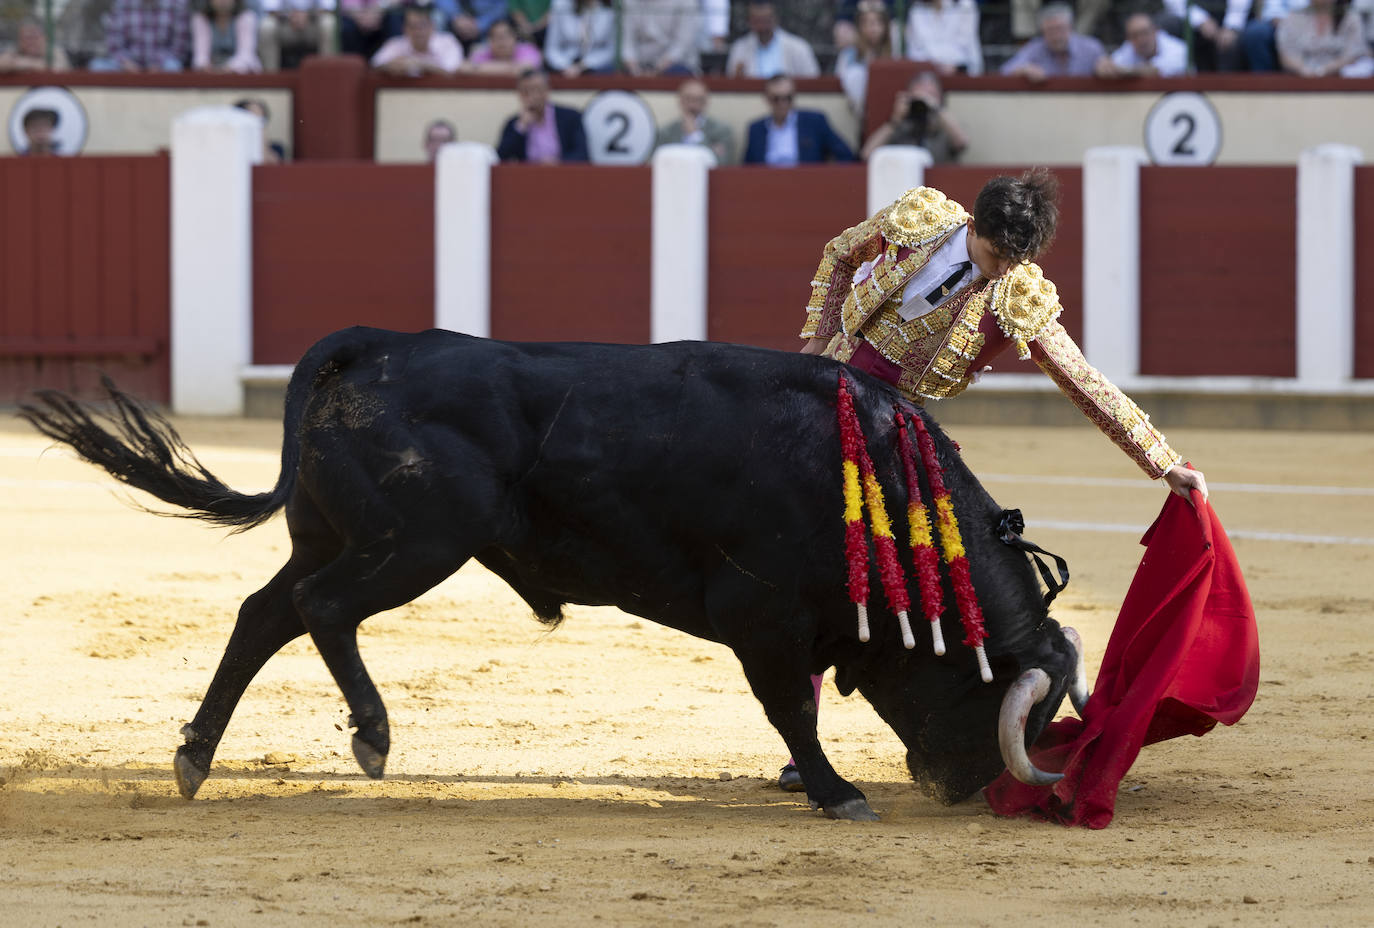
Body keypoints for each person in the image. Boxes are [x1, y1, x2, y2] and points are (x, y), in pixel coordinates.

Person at [779, 170, 1208, 793]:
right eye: (994, 254)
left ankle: (961, 719)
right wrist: (818, 340)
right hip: (825, 398)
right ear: (972, 227)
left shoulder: (1018, 294)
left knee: (934, 566)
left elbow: (1080, 378)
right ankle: (803, 747)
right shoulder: (918, 218)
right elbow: (839, 255)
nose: (1001, 270)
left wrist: (1161, 459)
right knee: (803, 565)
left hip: (896, 430)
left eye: (1015, 260)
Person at [743, 75, 855, 166]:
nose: (783, 103)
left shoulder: (814, 122)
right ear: (767, 99)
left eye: (788, 98)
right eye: (776, 99)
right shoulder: (756, 129)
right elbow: (747, 169)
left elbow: (845, 155)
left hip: (806, 186)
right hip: (766, 187)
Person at [858, 71, 967, 162]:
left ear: (940, 99)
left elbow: (962, 143)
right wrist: (894, 120)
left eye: (931, 95)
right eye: (918, 97)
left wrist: (936, 108)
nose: (924, 102)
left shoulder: (946, 127)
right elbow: (867, 155)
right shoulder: (900, 128)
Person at [496, 68, 589, 162]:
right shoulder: (514, 124)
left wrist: (558, 162)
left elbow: (582, 154)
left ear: (547, 90)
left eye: (537, 89)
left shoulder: (570, 117)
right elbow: (500, 157)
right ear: (520, 94)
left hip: (564, 174)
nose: (533, 95)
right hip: (528, 175)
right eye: (526, 91)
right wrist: (521, 127)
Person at [999, 3, 1104, 79]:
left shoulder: (1091, 47)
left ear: (1070, 28)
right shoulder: (1035, 47)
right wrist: (1024, 70)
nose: (1056, 36)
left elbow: (1108, 67)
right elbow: (1005, 71)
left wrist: (1103, 70)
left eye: (1060, 29)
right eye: (1050, 30)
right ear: (1042, 31)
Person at [1276, 0, 1374, 76]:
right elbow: (1287, 55)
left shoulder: (1350, 18)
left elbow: (1353, 53)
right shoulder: (1293, 18)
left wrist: (1324, 71)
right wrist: (1304, 70)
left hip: (1341, 79)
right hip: (1299, 79)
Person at [89, 0, 192, 71]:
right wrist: (127, 63)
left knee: (173, 67)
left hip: (163, 66)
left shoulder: (177, 4)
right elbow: (114, 45)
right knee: (97, 66)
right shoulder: (122, 3)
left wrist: (157, 65)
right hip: (127, 65)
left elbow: (179, 48)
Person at [725, 1, 820, 78]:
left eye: (765, 21)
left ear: (775, 19)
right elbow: (731, 85)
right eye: (757, 21)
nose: (762, 27)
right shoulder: (739, 48)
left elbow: (813, 82)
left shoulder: (799, 48)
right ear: (750, 22)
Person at [371, 1, 465, 76]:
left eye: (422, 25)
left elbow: (453, 71)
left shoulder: (447, 42)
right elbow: (374, 65)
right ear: (404, 29)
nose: (418, 31)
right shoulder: (395, 44)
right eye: (412, 26)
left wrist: (421, 65)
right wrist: (390, 66)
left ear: (432, 26)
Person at [834, 0, 895, 115]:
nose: (873, 28)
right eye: (866, 23)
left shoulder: (894, 52)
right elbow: (840, 81)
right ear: (859, 27)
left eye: (878, 22)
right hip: (857, 112)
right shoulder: (848, 54)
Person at [655, 78, 734, 164]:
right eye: (688, 99)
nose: (692, 104)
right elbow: (656, 161)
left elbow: (722, 163)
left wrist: (695, 136)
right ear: (680, 101)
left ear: (706, 102)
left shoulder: (722, 131)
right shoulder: (667, 131)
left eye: (698, 100)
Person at [1094, 9, 1189, 78]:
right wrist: (1104, 65)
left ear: (1155, 31)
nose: (1141, 40)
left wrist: (1125, 71)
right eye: (1135, 35)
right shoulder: (1129, 47)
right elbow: (1112, 65)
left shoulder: (1179, 49)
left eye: (1145, 33)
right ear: (1128, 38)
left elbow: (1154, 71)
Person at [1159, 0, 1250, 71]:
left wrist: (1231, 26)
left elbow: (1239, 7)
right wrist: (1200, 20)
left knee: (1232, 43)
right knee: (1168, 25)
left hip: (1228, 16)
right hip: (1189, 16)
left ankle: (1228, 88)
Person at [620, 0, 701, 76]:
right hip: (636, 66)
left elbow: (682, 44)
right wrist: (635, 70)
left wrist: (656, 70)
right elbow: (625, 42)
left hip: (677, 64)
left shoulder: (686, 2)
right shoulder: (627, 2)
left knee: (679, 73)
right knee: (609, 72)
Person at [904, 0, 984, 76]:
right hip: (925, 71)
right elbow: (914, 48)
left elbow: (964, 43)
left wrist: (949, 64)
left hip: (960, 69)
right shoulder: (916, 9)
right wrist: (932, 65)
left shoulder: (965, 5)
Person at [258, 0, 337, 70]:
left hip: (313, 24)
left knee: (329, 23)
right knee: (267, 26)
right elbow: (271, 9)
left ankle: (327, 73)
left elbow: (328, 8)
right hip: (285, 24)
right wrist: (290, 16)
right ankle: (271, 75)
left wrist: (307, 16)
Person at [542, 0, 616, 76]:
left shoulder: (609, 12)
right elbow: (551, 48)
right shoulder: (561, 7)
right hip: (565, 64)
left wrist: (585, 64)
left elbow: (611, 50)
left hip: (596, 66)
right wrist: (565, 65)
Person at [192, 0, 262, 72]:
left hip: (241, 75)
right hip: (211, 74)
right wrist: (205, 66)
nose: (223, 1)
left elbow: (246, 55)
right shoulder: (201, 18)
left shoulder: (247, 17)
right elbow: (200, 56)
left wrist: (228, 68)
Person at [1243, 0, 1311, 72]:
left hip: (1306, 22)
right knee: (1255, 33)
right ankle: (1264, 79)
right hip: (1274, 24)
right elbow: (1271, 12)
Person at [464, 15, 542, 73]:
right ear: (489, 40)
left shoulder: (529, 49)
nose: (501, 41)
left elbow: (526, 68)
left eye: (506, 36)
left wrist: (479, 68)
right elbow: (465, 67)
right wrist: (511, 67)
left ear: (515, 38)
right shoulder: (481, 52)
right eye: (496, 36)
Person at [0, 18, 72, 71]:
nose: (31, 42)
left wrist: (26, 63)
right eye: (27, 38)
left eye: (35, 37)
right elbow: (2, 63)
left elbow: (60, 68)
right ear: (20, 40)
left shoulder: (52, 51)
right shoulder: (15, 50)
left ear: (44, 38)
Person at [234, 97, 287, 162]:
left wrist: (263, 144)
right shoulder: (231, 147)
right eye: (253, 121)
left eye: (261, 121)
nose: (257, 126)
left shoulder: (276, 148)